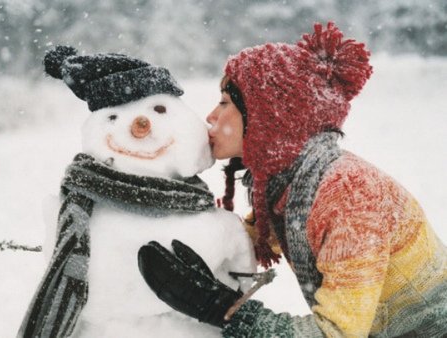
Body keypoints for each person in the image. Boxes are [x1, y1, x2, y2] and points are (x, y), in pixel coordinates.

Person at [138, 22, 447, 337]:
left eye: (225, 102)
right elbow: (247, 237)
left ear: (268, 117)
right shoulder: (290, 187)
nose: (211, 116)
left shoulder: (348, 196)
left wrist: (221, 308)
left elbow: (334, 334)